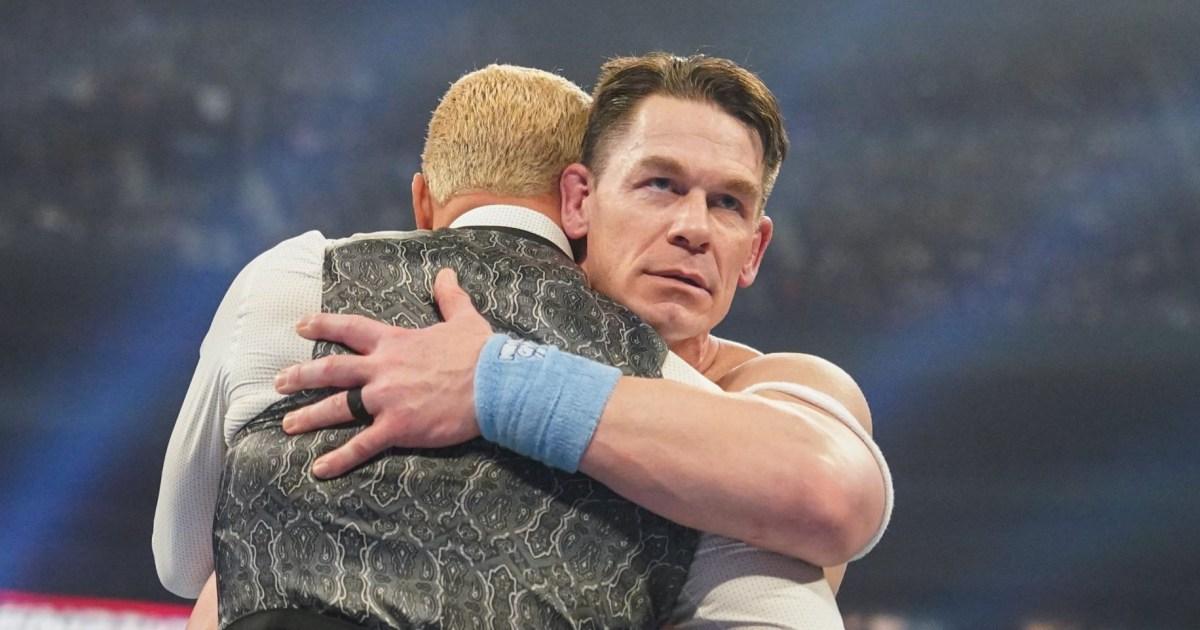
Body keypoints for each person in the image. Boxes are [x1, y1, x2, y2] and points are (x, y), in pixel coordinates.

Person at [155, 60, 887, 628]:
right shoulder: (424, 344)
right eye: (661, 185)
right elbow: (225, 583)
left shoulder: (768, 385)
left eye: (728, 202)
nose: (693, 227)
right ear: (579, 203)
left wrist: (494, 380)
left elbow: (830, 495)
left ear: (754, 249)